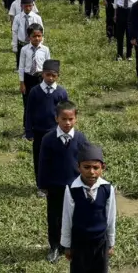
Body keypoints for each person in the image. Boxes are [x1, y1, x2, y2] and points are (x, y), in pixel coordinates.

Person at [38, 101, 88, 264]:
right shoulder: (48, 139)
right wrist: (43, 185)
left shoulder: (80, 138)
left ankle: (74, 246)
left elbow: (85, 162)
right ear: (56, 119)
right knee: (55, 217)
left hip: (75, 186)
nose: (67, 123)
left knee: (76, 216)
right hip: (55, 187)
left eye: (71, 119)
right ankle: (55, 247)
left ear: (76, 119)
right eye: (64, 119)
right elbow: (43, 163)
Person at [61, 144, 117, 273]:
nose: (91, 172)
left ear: (103, 168)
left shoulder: (107, 189)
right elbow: (67, 217)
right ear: (78, 167)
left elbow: (111, 218)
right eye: (86, 167)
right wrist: (67, 245)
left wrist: (111, 243)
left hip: (101, 242)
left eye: (95, 168)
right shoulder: (71, 189)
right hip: (79, 243)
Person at [26, 60, 68, 185]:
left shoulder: (61, 92)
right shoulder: (35, 91)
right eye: (47, 74)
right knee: (39, 159)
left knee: (56, 158)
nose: (50, 78)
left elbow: (66, 113)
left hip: (56, 131)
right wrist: (29, 131)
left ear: (58, 76)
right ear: (43, 74)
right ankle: (40, 184)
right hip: (39, 132)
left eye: (53, 75)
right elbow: (29, 112)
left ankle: (54, 182)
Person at [19, 23, 51, 130]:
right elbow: (21, 67)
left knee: (42, 103)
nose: (37, 38)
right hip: (28, 78)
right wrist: (22, 83)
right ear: (29, 37)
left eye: (39, 36)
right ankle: (27, 128)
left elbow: (48, 65)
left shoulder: (45, 49)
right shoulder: (24, 50)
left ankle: (40, 126)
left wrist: (48, 81)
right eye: (34, 36)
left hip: (41, 78)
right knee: (28, 104)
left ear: (42, 36)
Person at [12, 0, 43, 68]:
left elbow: (42, 31)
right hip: (22, 43)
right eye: (26, 6)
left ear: (33, 5)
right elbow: (15, 32)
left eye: (30, 6)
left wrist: (40, 43)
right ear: (21, 5)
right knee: (21, 60)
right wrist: (14, 45)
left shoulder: (37, 18)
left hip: (33, 43)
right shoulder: (17, 18)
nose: (28, 8)